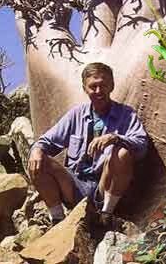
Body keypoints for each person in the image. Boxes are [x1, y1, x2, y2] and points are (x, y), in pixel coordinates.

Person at [28, 62, 148, 226]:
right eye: (93, 86)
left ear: (111, 85)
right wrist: (36, 150)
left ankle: (106, 215)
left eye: (103, 85)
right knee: (37, 158)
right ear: (85, 88)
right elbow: (45, 141)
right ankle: (57, 219)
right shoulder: (76, 114)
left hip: (105, 185)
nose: (98, 91)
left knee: (122, 153)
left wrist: (115, 138)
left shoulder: (126, 114)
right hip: (75, 184)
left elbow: (141, 144)